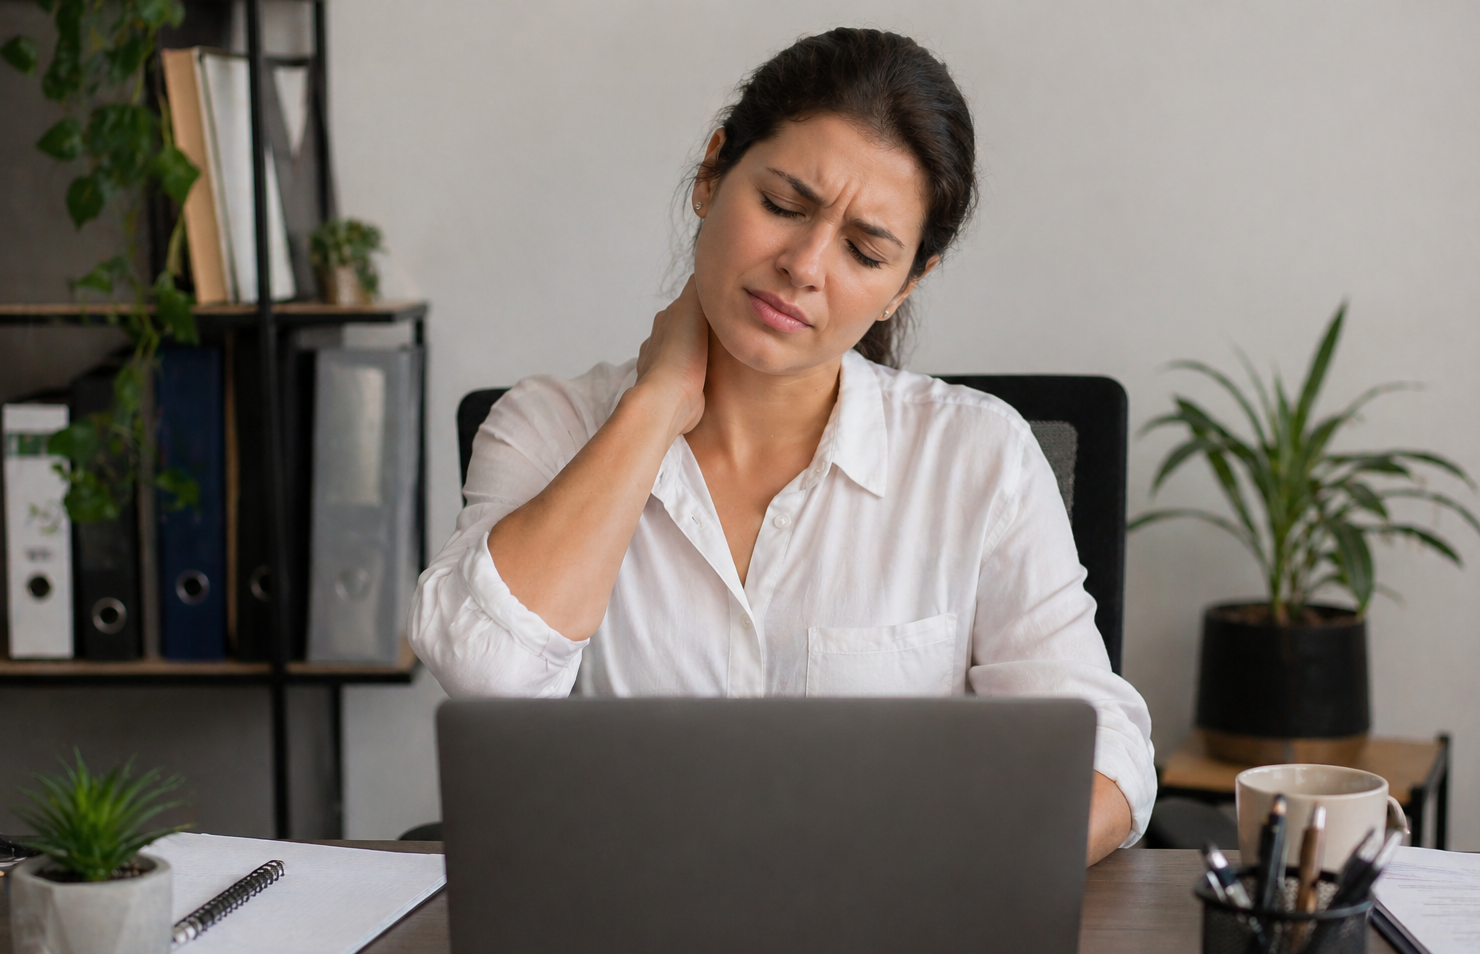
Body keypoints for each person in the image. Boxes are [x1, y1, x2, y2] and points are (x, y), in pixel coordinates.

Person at [409, 27, 1155, 864]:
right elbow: (488, 673)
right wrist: (654, 405)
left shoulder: (980, 457)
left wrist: (945, 875)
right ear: (711, 173)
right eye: (782, 206)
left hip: (888, 941)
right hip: (629, 935)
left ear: (905, 284)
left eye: (864, 250)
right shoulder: (547, 426)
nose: (805, 265)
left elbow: (1107, 756)